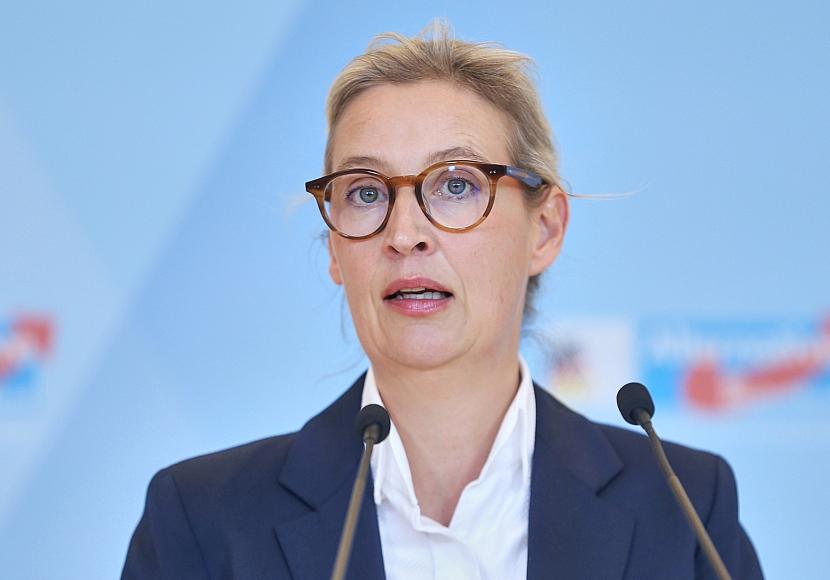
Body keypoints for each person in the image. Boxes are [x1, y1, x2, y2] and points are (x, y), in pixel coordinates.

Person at [122, 22, 763, 579]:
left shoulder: (682, 508)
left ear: (545, 229)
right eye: (366, 193)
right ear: (334, 249)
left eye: (456, 185)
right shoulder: (203, 520)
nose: (405, 234)